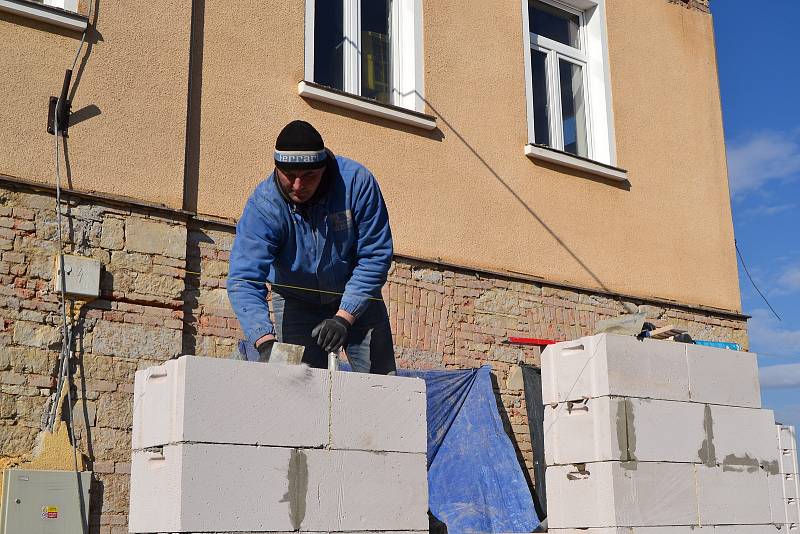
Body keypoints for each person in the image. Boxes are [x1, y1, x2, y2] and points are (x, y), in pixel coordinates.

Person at [227, 120, 396, 374]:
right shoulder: (263, 207)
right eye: (289, 176)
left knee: (383, 385)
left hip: (356, 294)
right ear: (277, 168)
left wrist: (344, 316)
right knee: (299, 387)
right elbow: (244, 278)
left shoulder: (356, 185)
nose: (297, 186)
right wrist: (265, 342)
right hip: (297, 301)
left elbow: (375, 255)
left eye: (308, 177)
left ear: (324, 169)